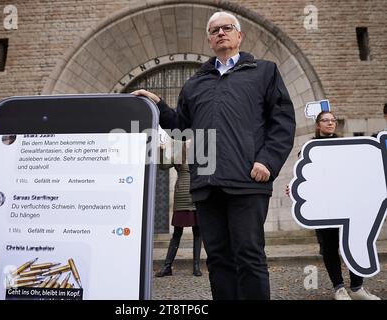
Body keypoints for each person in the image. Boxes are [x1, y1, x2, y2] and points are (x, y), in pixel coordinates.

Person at [132, 11, 296, 300]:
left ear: (239, 36)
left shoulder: (264, 71)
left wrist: (267, 161)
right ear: (209, 39)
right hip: (206, 185)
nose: (221, 33)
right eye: (215, 30)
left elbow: (282, 122)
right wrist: (158, 105)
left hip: (248, 181)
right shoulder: (195, 83)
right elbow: (182, 127)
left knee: (249, 254)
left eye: (227, 28)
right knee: (218, 258)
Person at [286, 111, 380, 300]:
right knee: (329, 247)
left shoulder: (346, 145)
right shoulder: (308, 148)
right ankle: (339, 288)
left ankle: (357, 288)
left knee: (352, 243)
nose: (330, 123)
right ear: (318, 125)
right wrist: (294, 187)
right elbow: (304, 174)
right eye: (325, 120)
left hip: (346, 204)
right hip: (323, 207)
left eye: (332, 120)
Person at [156, 139, 202, 277]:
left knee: (198, 233)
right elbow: (163, 166)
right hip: (181, 198)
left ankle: (196, 267)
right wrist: (161, 149)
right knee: (177, 233)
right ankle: (167, 267)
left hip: (197, 197)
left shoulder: (201, 153)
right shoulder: (178, 154)